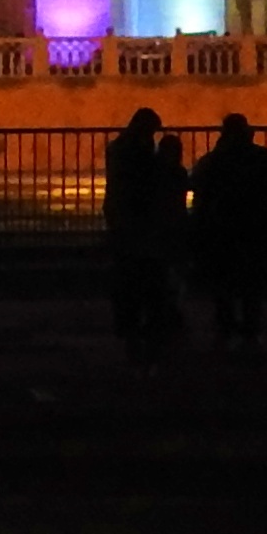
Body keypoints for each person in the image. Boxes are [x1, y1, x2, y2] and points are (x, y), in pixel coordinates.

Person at [188, 111, 267, 351]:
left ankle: (226, 329)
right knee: (252, 285)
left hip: (222, 228)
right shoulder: (263, 158)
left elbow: (199, 189)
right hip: (254, 227)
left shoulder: (214, 161)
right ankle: (251, 331)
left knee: (224, 284)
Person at [101, 109, 189, 363]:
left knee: (128, 278)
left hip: (126, 223)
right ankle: (149, 325)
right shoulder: (142, 154)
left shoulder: (122, 149)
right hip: (142, 225)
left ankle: (131, 327)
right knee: (148, 277)